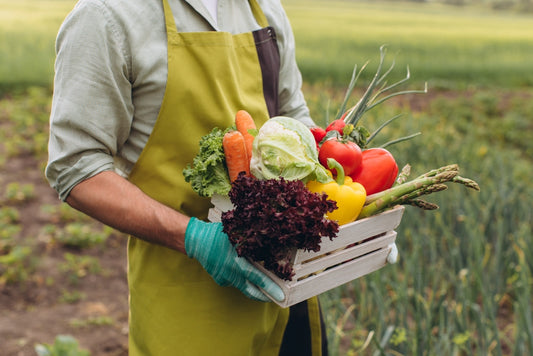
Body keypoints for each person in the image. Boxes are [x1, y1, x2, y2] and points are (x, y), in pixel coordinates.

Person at [46, 0, 329, 354]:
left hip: (289, 289)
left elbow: (293, 115)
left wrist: (361, 199)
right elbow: (76, 167)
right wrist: (196, 239)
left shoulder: (263, 8)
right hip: (186, 298)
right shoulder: (107, 15)